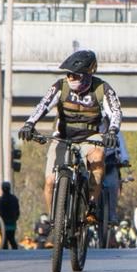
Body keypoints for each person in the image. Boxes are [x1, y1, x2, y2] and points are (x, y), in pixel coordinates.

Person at [17, 49, 121, 219]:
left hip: (90, 137)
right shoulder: (61, 86)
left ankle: (92, 205)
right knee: (50, 181)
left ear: (88, 74)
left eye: (75, 75)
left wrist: (112, 131)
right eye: (68, 74)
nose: (70, 78)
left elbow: (115, 112)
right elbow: (43, 105)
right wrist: (29, 124)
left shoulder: (102, 88)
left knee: (98, 159)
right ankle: (54, 221)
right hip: (63, 137)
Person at [100, 130, 130, 242]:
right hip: (95, 163)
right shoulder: (92, 126)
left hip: (111, 163)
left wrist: (125, 159)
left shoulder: (115, 130)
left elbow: (122, 146)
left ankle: (112, 214)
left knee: (113, 185)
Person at [0, 181, 21, 250]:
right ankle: (15, 252)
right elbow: (17, 211)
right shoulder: (14, 199)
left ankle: (6, 254)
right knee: (12, 239)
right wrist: (15, 218)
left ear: (2, 188)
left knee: (4, 241)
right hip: (12, 223)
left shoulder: (0, 200)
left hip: (2, 223)